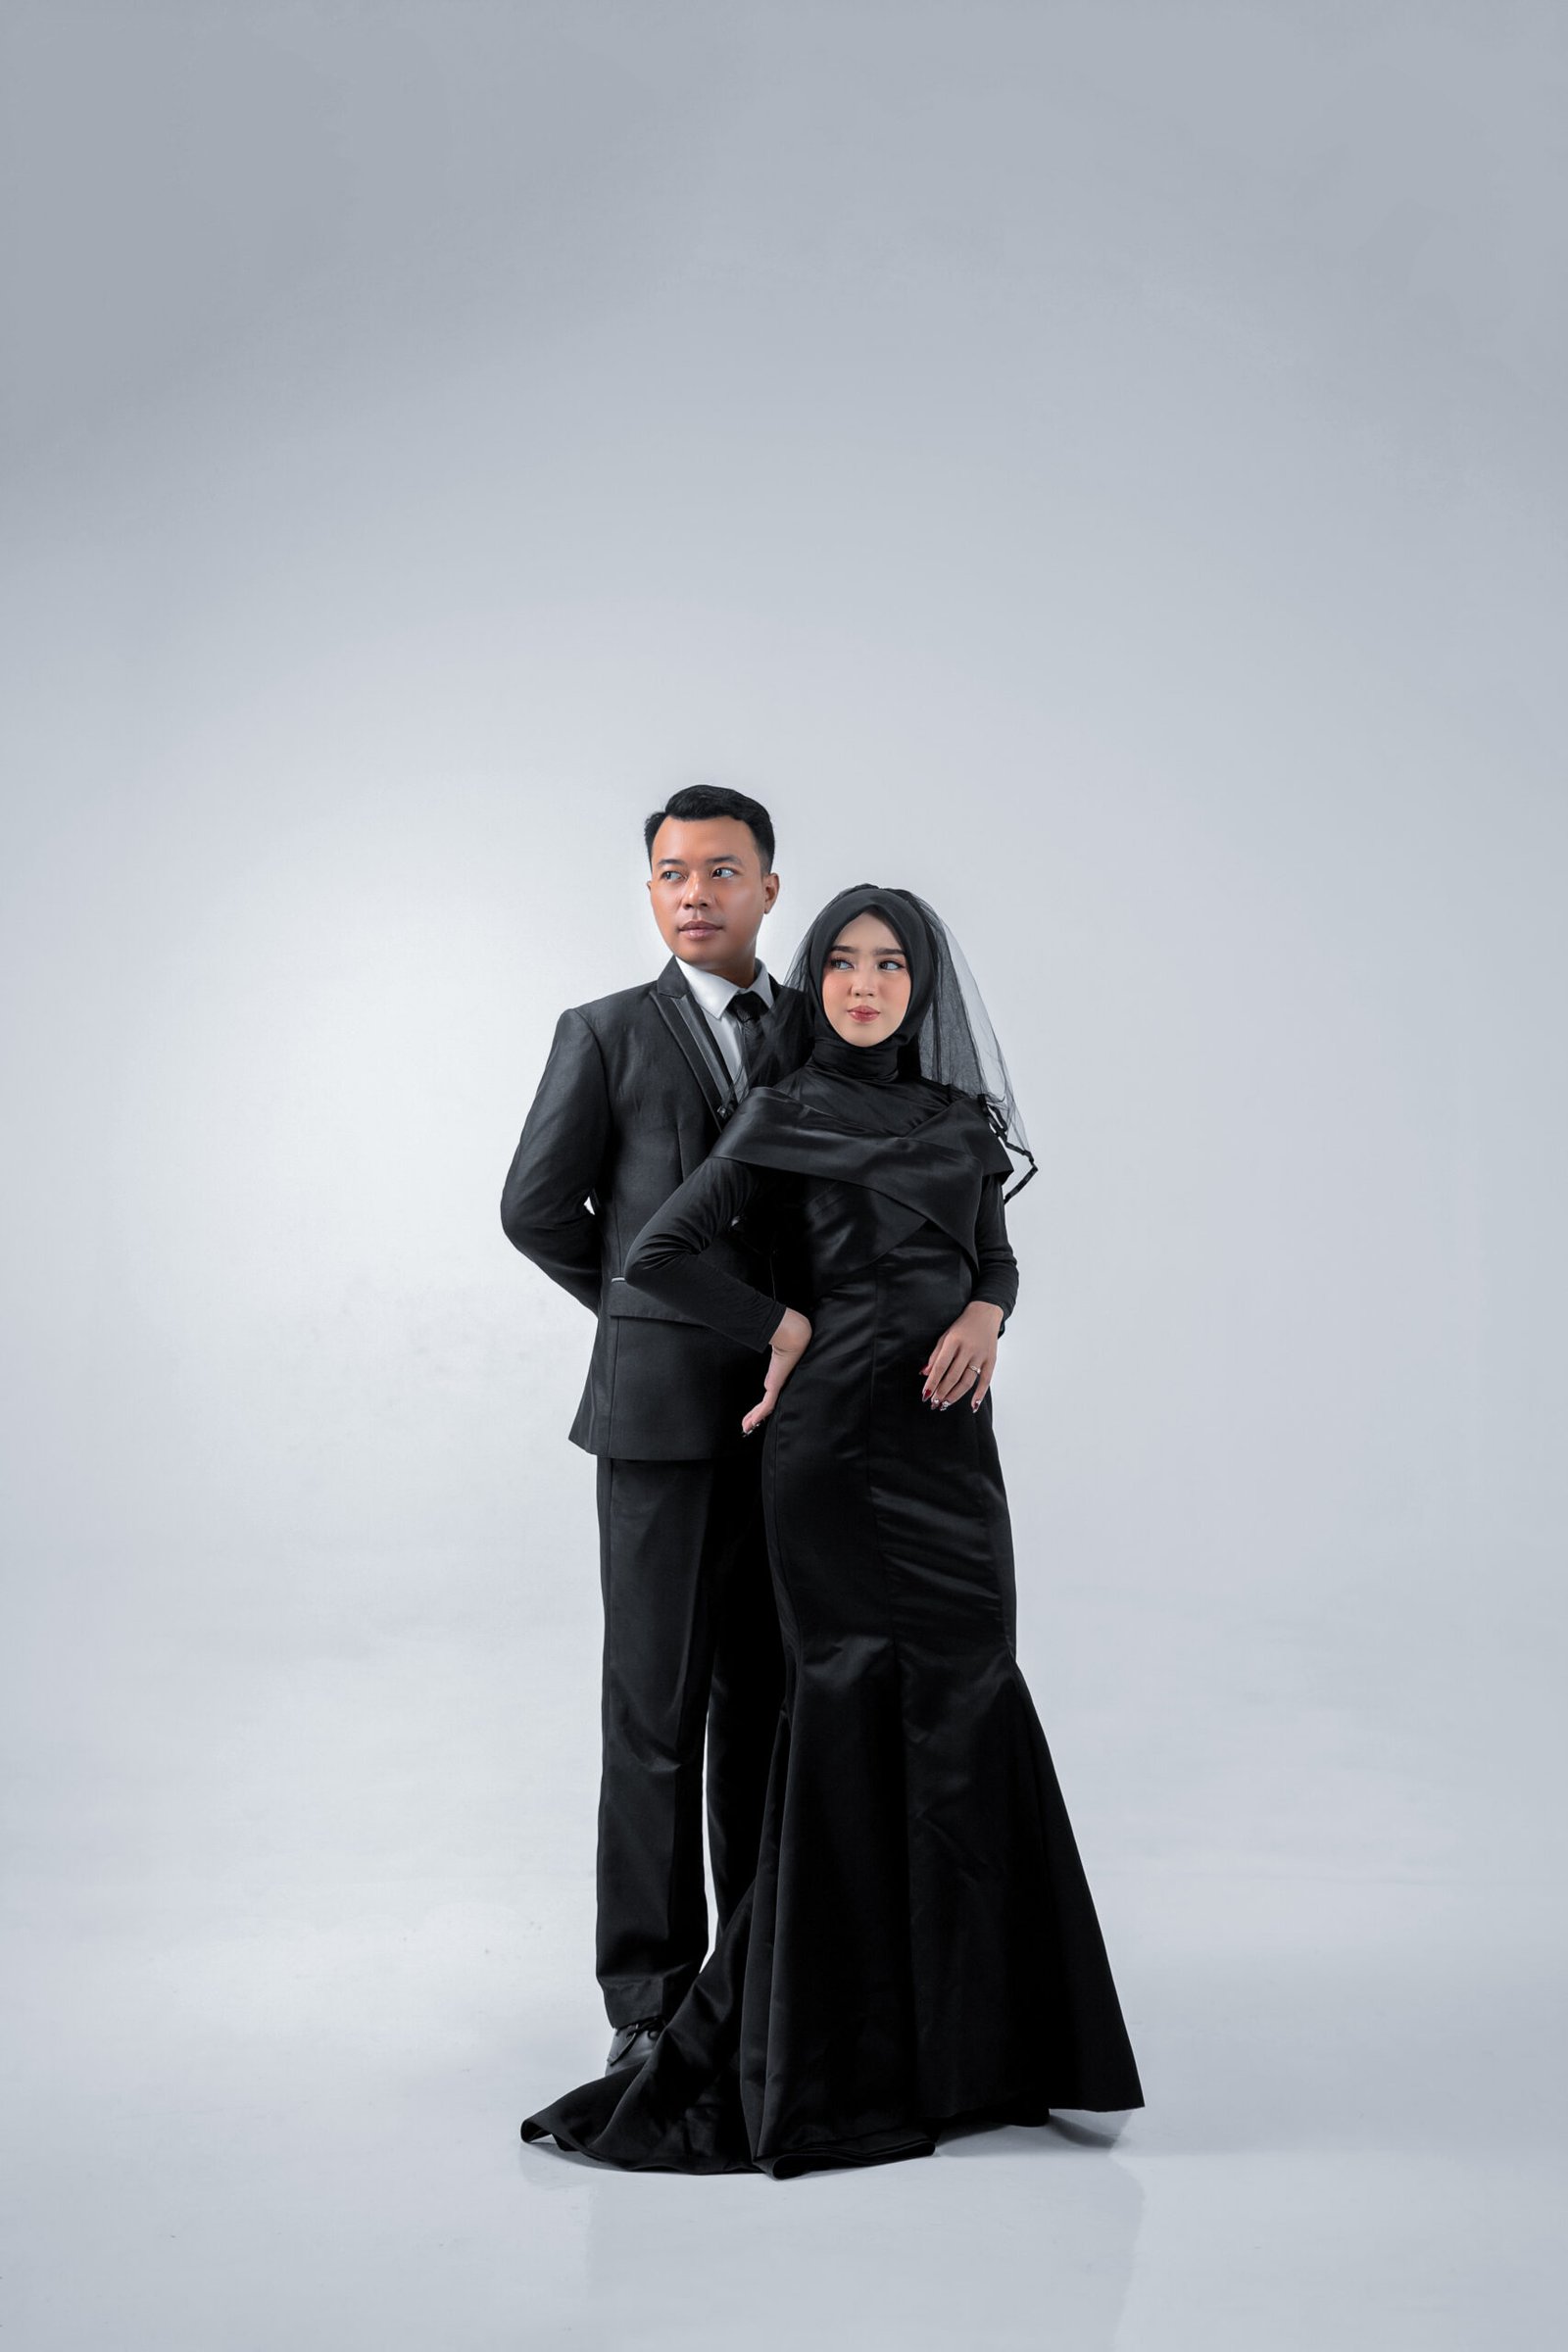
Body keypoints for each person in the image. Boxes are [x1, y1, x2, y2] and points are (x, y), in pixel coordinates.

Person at [519, 883, 1145, 2175]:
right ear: (821, 977)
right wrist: (783, 1327)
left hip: (948, 1457)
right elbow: (658, 1254)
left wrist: (989, 1314)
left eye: (891, 964)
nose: (865, 984)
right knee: (847, 1706)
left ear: (924, 987)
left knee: (971, 1696)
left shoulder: (960, 1120)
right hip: (828, 1454)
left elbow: (994, 1255)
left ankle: (980, 2046)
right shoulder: (782, 1109)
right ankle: (826, 2045)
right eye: (845, 962)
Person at [500, 785, 813, 2074]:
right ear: (649, 892)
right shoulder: (605, 1033)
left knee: (773, 1707)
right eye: (673, 873)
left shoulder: (823, 1027)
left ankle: (762, 1974)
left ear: (768, 889)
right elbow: (534, 1210)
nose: (695, 893)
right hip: (656, 1423)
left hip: (799, 1423)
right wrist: (653, 1314)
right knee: (653, 1711)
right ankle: (647, 2000)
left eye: (722, 871)